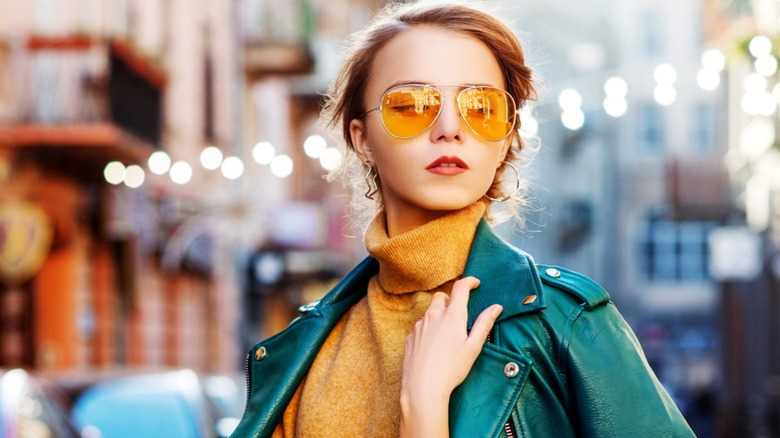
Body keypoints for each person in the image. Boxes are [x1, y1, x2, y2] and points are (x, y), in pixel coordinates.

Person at [231, 1, 695, 437]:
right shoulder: (305, 349)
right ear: (362, 138)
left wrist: (425, 406)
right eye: (411, 105)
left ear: (504, 140)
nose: (450, 128)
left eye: (482, 108)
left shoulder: (564, 323)